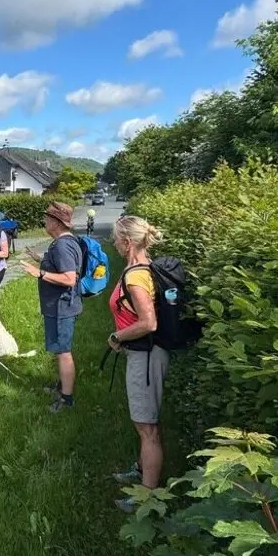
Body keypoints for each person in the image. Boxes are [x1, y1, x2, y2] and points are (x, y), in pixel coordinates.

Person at [107, 216, 166, 514]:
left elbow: (149, 322)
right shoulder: (142, 268)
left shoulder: (135, 277)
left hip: (146, 355)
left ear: (128, 242)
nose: (114, 244)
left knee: (147, 429)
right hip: (143, 353)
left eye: (116, 239)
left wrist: (118, 336)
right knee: (144, 421)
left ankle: (147, 498)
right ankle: (141, 471)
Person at [20, 202, 84, 413]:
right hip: (60, 306)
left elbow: (69, 278)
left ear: (57, 222)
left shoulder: (63, 246)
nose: (44, 221)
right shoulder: (64, 243)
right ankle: (61, 385)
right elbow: (62, 266)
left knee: (63, 352)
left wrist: (39, 273)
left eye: (47, 218)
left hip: (61, 307)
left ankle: (67, 399)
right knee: (59, 350)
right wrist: (39, 259)